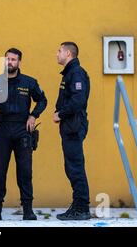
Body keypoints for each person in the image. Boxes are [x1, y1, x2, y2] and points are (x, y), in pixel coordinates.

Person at [0, 48, 47, 221]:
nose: (10, 62)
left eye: (13, 59)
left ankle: (28, 209)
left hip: (22, 130)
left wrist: (33, 115)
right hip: (1, 129)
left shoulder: (29, 82)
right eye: (7, 59)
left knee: (25, 171)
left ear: (19, 62)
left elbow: (42, 100)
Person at [53, 42, 91, 221]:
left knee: (75, 168)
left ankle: (81, 208)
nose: (57, 53)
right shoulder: (70, 72)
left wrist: (60, 114)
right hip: (70, 127)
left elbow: (78, 100)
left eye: (59, 51)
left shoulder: (76, 73)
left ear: (68, 53)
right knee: (72, 167)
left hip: (73, 127)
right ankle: (77, 206)